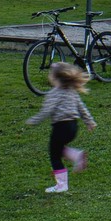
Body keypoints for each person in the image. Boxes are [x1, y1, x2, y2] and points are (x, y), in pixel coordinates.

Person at [26, 62, 95, 193]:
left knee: (54, 155)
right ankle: (76, 155)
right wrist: (89, 121)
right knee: (58, 149)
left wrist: (35, 120)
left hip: (61, 127)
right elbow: (81, 108)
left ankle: (62, 185)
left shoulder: (53, 93)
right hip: (73, 127)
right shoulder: (72, 92)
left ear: (55, 78)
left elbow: (47, 111)